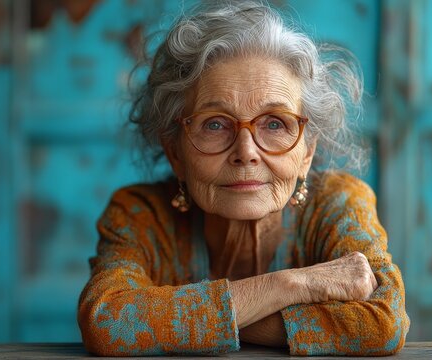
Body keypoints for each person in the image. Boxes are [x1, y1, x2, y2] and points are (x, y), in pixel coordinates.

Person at [77, 1, 409, 356]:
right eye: (215, 124)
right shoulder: (140, 214)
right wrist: (291, 285)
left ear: (307, 153)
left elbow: (384, 322)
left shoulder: (338, 202)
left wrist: (171, 322)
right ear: (176, 152)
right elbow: (108, 320)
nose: (246, 151)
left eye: (275, 123)